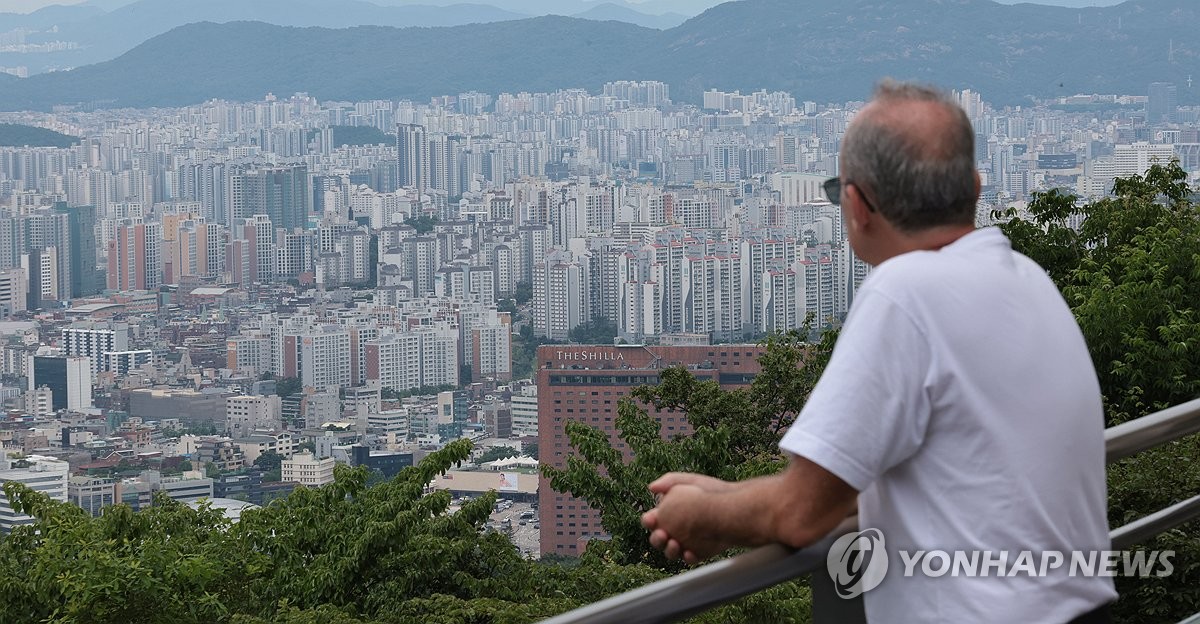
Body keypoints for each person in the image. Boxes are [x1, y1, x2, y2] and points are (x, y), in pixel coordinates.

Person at [641, 80, 1117, 623]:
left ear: (857, 205)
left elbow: (801, 515)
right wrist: (726, 499)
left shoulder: (905, 292)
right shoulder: (1027, 278)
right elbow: (869, 485)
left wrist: (704, 516)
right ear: (975, 188)